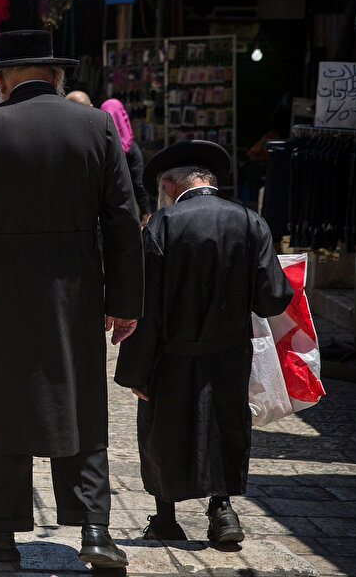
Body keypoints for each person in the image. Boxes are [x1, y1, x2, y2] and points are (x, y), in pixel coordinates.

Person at [0, 30, 144, 569]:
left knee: (2, 401)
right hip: (74, 290)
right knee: (80, 400)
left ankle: (0, 530)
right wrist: (126, 301)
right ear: (56, 76)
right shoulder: (95, 126)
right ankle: (94, 528)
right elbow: (123, 220)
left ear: (1, 79)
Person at [114, 140, 293, 543]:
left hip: (172, 355)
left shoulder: (162, 225)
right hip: (229, 352)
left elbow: (148, 309)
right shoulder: (250, 221)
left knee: (164, 430)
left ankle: (165, 518)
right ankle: (223, 512)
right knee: (224, 426)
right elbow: (274, 297)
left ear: (170, 185)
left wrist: (136, 371)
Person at [100, 99, 153, 226]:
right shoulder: (131, 149)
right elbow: (139, 182)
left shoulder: (97, 144)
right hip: (126, 212)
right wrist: (146, 212)